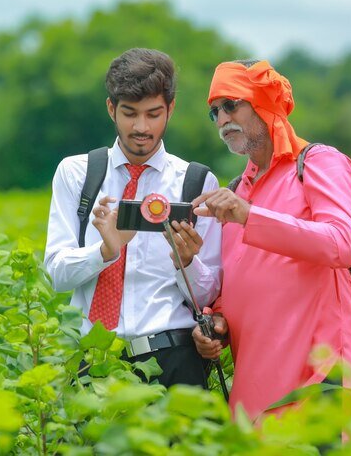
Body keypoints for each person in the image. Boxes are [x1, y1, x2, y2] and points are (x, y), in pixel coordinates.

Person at [191, 59, 351, 419]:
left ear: (263, 102)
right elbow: (241, 280)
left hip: (319, 379)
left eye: (231, 105)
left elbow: (342, 243)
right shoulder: (237, 190)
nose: (223, 119)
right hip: (254, 389)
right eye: (215, 112)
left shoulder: (318, 163)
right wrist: (217, 321)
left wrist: (249, 216)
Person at [44, 48, 222, 388]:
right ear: (111, 109)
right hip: (93, 360)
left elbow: (209, 293)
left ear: (171, 109)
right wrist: (104, 252)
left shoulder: (197, 182)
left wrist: (186, 262)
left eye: (154, 114)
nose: (142, 127)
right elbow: (56, 275)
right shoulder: (77, 173)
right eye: (130, 113)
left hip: (174, 357)